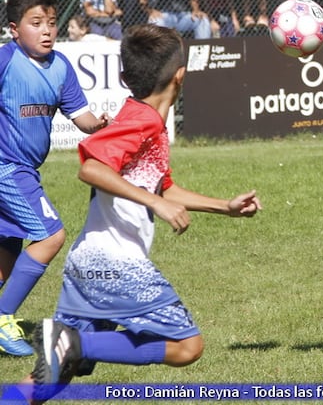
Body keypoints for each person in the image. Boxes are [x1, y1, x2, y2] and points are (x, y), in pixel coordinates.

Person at [3, 23, 262, 403]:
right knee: (187, 346)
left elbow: (162, 186)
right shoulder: (140, 121)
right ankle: (75, 342)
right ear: (180, 76)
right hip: (115, 264)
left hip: (86, 265)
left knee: (56, 373)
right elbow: (90, 167)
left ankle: (56, 358)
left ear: (124, 77)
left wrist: (224, 207)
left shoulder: (147, 122)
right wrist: (155, 203)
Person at [0, 0, 109, 357]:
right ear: (14, 29)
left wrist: (101, 125)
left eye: (50, 22)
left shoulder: (60, 66)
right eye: (35, 23)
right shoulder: (5, 61)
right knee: (52, 237)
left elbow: (81, 117)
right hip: (6, 169)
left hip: (24, 169)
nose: (47, 30)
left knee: (9, 249)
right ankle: (1, 317)